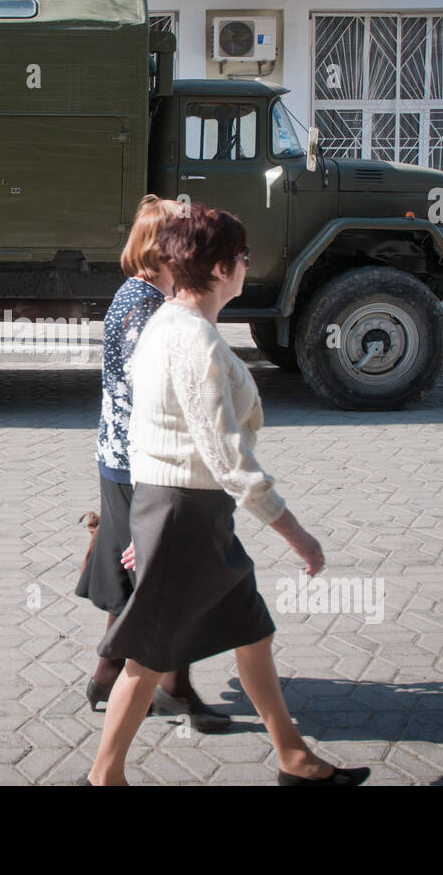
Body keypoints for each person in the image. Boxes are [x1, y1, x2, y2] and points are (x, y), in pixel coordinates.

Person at [83, 204, 371, 787]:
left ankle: (294, 758)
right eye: (240, 257)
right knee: (146, 658)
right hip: (187, 512)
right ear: (218, 269)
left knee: (252, 632)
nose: (246, 265)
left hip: (189, 513)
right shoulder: (189, 339)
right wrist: (296, 533)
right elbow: (227, 458)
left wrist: (146, 521)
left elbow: (143, 430)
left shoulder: (173, 321)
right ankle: (102, 778)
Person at [74, 195, 230, 733]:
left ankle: (109, 672)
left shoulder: (144, 296)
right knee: (168, 578)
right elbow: (155, 395)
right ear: (161, 247)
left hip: (124, 459)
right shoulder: (145, 307)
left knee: (148, 577)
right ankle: (168, 686)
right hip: (143, 465)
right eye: (182, 235)